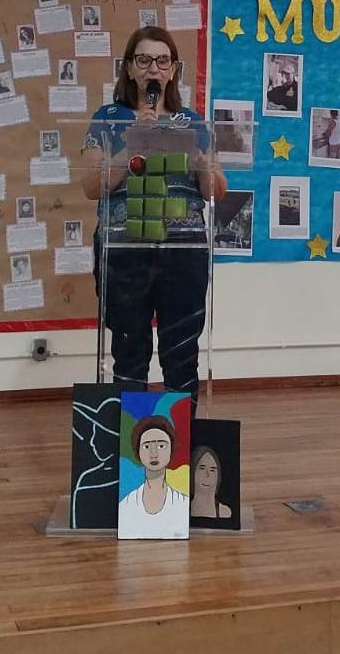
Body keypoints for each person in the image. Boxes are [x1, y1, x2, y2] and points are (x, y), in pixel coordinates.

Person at [80, 26, 227, 408]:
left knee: (181, 351)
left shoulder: (193, 122)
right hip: (125, 248)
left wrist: (198, 157)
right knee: (130, 351)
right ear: (130, 68)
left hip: (183, 252)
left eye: (163, 61)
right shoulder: (109, 119)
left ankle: (178, 441)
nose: (153, 69)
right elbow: (92, 185)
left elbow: (216, 190)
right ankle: (133, 442)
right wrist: (131, 142)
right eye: (144, 60)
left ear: (174, 70)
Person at [118, 415, 188, 538]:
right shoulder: (126, 505)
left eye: (161, 446)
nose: (154, 454)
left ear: (171, 449)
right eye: (146, 446)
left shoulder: (182, 503)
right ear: (138, 452)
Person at [190, 445, 232, 519]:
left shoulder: (225, 512)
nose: (207, 474)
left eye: (212, 470)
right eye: (202, 468)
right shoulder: (184, 510)